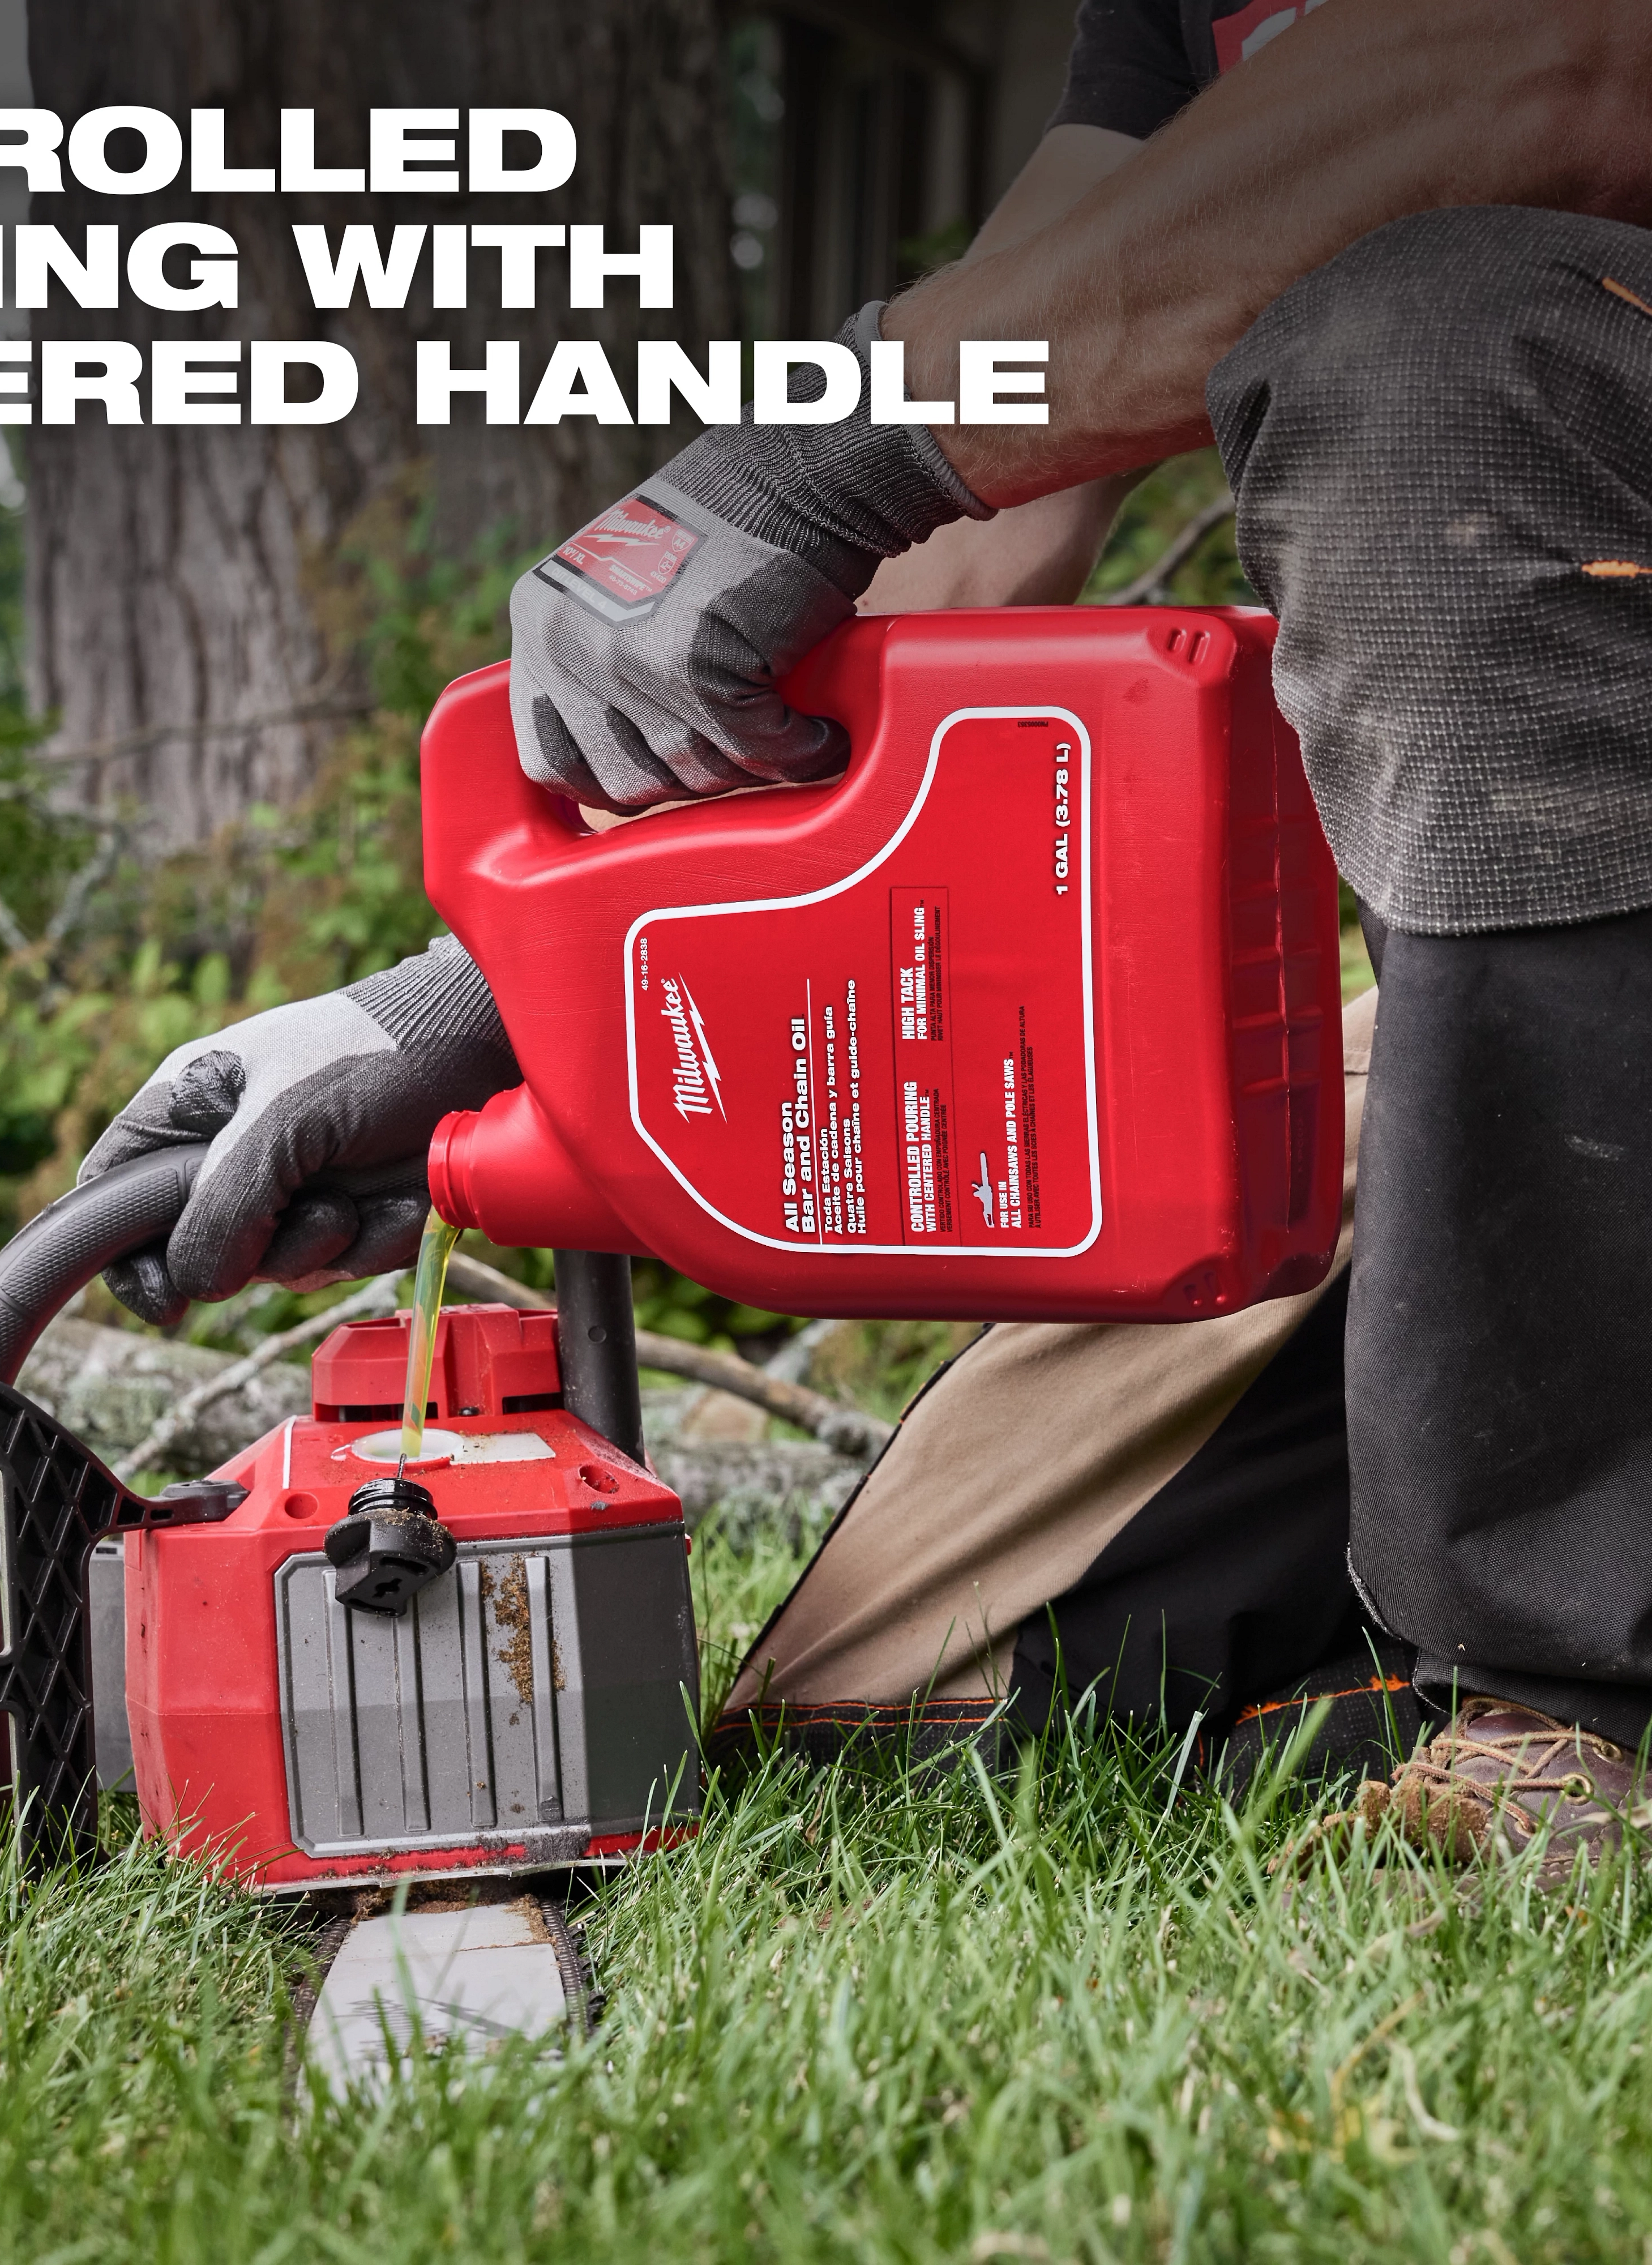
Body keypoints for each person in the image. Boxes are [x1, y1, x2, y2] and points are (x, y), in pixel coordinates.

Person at [83, 0, 1652, 1883]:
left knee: (1432, 356)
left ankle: (1583, 1702)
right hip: (1580, 1038)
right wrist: (508, 996)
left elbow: (1545, 68)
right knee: (913, 1723)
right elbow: (980, 492)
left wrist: (819, 448)